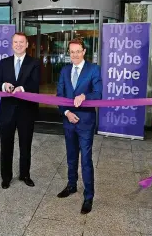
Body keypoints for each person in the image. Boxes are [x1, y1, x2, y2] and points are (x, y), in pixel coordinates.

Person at [56, 38, 102, 214]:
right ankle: (71, 185)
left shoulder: (93, 69)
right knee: (71, 156)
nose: (74, 54)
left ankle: (89, 196)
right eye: (72, 51)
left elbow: (98, 93)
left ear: (84, 52)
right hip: (69, 120)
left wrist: (85, 96)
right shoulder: (65, 70)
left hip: (85, 122)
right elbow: (60, 95)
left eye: (78, 51)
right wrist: (66, 113)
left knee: (86, 160)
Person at [0, 32, 40, 189]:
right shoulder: (4, 62)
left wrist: (22, 88)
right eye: (15, 42)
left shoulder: (34, 63)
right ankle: (6, 177)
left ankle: (25, 174)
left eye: (21, 42)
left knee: (25, 144)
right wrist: (3, 85)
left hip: (26, 111)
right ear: (12, 44)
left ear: (27, 44)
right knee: (6, 144)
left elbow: (35, 86)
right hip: (7, 110)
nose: (18, 45)